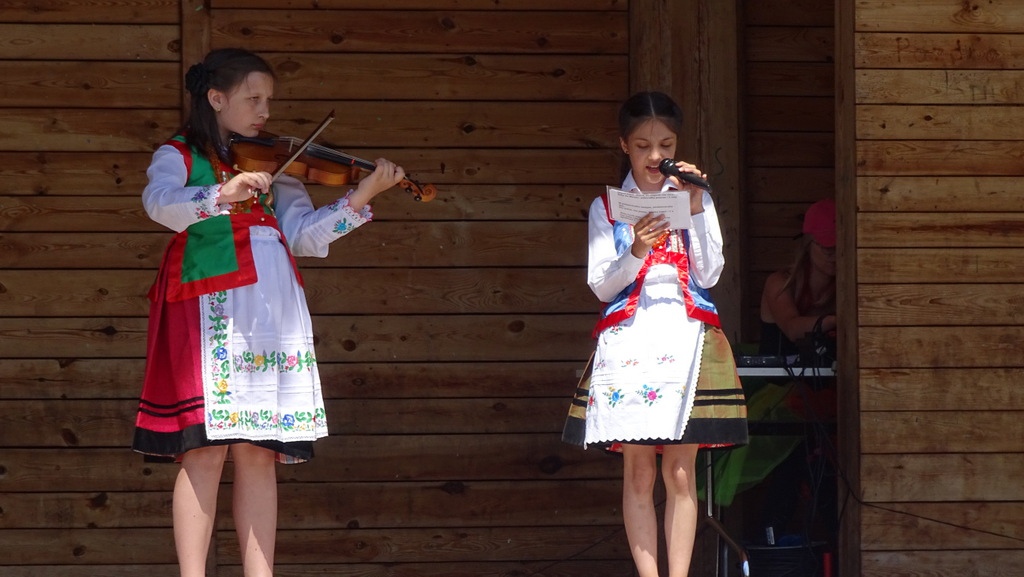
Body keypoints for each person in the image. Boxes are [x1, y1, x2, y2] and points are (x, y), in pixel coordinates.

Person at [131, 48, 406, 577]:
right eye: (253, 98)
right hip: (211, 301)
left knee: (260, 448)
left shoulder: (274, 167)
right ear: (216, 98)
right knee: (205, 447)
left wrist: (362, 194)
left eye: (269, 100)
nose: (264, 111)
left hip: (272, 310)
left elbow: (303, 236)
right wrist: (221, 192)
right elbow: (160, 204)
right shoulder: (180, 153)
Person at [584, 91, 748, 577]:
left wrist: (695, 207)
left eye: (665, 145)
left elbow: (711, 273)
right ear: (624, 146)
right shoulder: (607, 208)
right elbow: (601, 283)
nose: (655, 157)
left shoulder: (695, 195)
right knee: (638, 470)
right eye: (642, 146)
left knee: (680, 471)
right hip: (631, 337)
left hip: (685, 336)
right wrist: (635, 249)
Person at [755, 197, 838, 545]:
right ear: (808, 245)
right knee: (790, 471)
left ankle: (833, 548)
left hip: (825, 401)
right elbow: (792, 328)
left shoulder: (844, 285)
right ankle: (773, 552)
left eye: (840, 247)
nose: (834, 255)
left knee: (831, 473)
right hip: (776, 401)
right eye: (826, 247)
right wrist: (839, 321)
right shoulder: (780, 283)